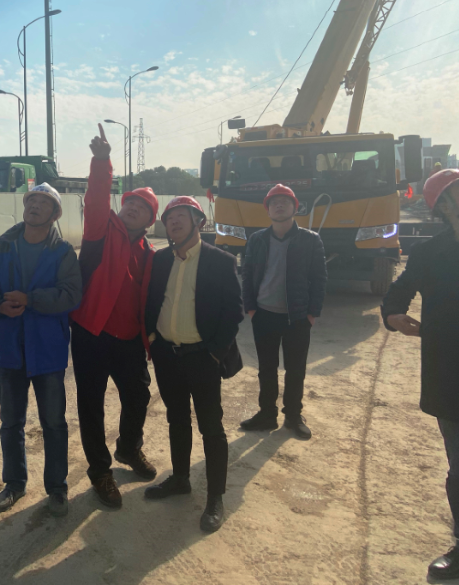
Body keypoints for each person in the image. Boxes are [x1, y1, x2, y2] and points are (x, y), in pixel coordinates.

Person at [382, 169, 459, 581]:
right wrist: (393, 315)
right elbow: (398, 292)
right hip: (452, 380)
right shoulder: (430, 254)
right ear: (446, 207)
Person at [0, 183, 82, 518]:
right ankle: (14, 484)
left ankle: (57, 488)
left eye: (43, 202)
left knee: (54, 422)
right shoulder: (2, 246)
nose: (35, 205)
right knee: (10, 422)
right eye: (31, 200)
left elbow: (71, 294)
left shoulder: (62, 252)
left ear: (55, 213)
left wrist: (31, 299)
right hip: (7, 348)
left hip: (46, 349)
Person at [70, 123, 160, 508]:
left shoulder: (151, 255)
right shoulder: (101, 230)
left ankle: (128, 448)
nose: (132, 208)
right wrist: (102, 162)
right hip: (91, 333)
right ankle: (100, 471)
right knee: (91, 405)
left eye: (142, 208)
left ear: (149, 221)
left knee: (138, 396)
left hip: (129, 340)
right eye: (130, 203)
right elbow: (96, 198)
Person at [143, 196, 244, 533]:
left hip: (203, 357)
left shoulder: (220, 261)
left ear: (198, 222)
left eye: (181, 216)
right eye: (169, 218)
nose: (173, 222)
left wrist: (215, 352)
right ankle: (180, 478)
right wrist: (153, 338)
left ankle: (215, 497)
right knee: (176, 419)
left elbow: (233, 312)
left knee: (211, 427)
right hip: (167, 356)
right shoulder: (160, 260)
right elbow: (151, 301)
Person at [240, 184, 327, 440]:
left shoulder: (310, 240)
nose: (279, 205)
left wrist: (311, 314)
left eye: (285, 202)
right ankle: (267, 414)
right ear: (267, 209)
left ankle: (293, 416)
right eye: (274, 202)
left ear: (295, 207)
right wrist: (251, 308)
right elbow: (247, 275)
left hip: (297, 317)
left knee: (295, 369)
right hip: (263, 315)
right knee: (266, 368)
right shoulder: (257, 239)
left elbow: (319, 278)